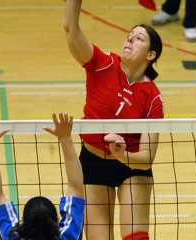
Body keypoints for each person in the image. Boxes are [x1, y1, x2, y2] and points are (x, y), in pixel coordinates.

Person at [63, 1, 164, 240]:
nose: (130, 39)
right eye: (129, 36)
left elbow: (147, 157)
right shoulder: (102, 63)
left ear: (151, 55)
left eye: (139, 38)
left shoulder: (153, 97)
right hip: (92, 165)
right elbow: (70, 28)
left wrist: (122, 156)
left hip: (132, 168)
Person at [0, 113, 85, 240]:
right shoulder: (69, 236)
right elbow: (76, 186)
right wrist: (66, 138)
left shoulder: (11, 237)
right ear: (56, 221)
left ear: (24, 223)